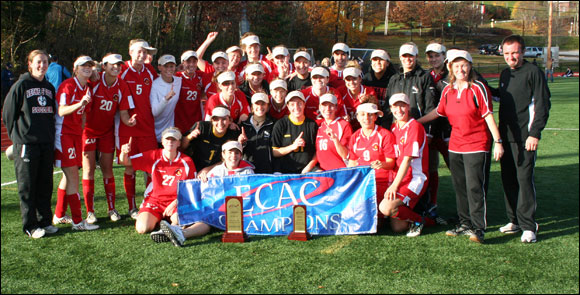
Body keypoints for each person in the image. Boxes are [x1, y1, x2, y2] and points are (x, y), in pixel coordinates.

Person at [418, 50, 503, 243]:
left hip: (477, 145)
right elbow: (438, 113)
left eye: (464, 65)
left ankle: (478, 228)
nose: (460, 69)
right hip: (456, 146)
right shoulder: (448, 90)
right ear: (451, 68)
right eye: (456, 66)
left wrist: (498, 142)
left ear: (470, 66)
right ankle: (465, 224)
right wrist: (417, 122)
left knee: (474, 187)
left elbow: (488, 116)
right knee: (461, 187)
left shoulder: (478, 88)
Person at [495, 35, 551, 243]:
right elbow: (500, 95)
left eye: (515, 53)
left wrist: (534, 133)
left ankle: (529, 225)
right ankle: (514, 221)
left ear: (523, 52)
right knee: (508, 179)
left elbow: (543, 105)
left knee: (524, 180)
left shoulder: (533, 72)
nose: (511, 57)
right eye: (507, 53)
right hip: (505, 138)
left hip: (525, 138)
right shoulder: (504, 73)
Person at [2, 50, 59, 238]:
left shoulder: (50, 87)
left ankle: (45, 221)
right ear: (30, 64)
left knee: (45, 184)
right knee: (28, 187)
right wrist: (18, 137)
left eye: (44, 62)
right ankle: (30, 225)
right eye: (38, 62)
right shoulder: (21, 85)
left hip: (46, 143)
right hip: (27, 144)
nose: (42, 65)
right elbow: (8, 114)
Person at [156, 140, 253, 247]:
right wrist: (203, 179)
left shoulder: (248, 171)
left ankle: (179, 233)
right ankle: (174, 230)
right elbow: (199, 190)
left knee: (206, 220)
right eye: (230, 152)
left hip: (235, 212)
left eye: (237, 153)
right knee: (177, 217)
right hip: (215, 208)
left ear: (241, 155)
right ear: (223, 155)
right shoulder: (216, 170)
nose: (233, 156)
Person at [81, 53, 134, 223]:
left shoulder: (122, 85)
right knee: (88, 170)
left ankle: (112, 208)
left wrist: (129, 121)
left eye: (119, 64)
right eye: (112, 64)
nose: (116, 67)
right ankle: (90, 211)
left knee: (107, 169)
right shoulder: (95, 81)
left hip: (106, 132)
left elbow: (124, 113)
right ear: (104, 66)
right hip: (88, 131)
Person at [119, 127, 196, 235]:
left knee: (179, 221)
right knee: (142, 228)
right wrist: (123, 153)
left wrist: (175, 202)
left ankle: (168, 230)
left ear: (179, 143)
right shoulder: (153, 156)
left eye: (174, 139)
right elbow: (125, 162)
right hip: (155, 200)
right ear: (162, 141)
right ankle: (162, 223)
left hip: (176, 200)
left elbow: (191, 187)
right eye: (167, 139)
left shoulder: (187, 161)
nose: (170, 142)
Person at [53, 55, 99, 230]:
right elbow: (62, 110)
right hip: (63, 134)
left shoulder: (87, 88)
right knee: (73, 176)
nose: (87, 68)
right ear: (75, 68)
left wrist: (81, 129)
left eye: (89, 66)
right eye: (83, 66)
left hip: (74, 135)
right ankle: (78, 222)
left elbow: (84, 114)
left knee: (68, 175)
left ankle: (59, 215)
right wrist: (80, 103)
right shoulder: (67, 86)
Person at [380, 93, 433, 237]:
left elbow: (407, 160)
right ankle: (427, 220)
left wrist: (394, 186)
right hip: (401, 177)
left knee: (385, 207)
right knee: (398, 227)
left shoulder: (414, 127)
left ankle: (419, 221)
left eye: (402, 105)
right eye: (395, 106)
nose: (399, 110)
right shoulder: (394, 127)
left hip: (415, 178)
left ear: (408, 107)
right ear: (390, 108)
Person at [118, 39, 159, 219]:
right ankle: (131, 207)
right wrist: (126, 118)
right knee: (129, 167)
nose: (142, 55)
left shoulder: (150, 71)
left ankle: (150, 202)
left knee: (150, 167)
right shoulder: (122, 70)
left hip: (148, 127)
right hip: (128, 128)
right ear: (130, 52)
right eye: (139, 52)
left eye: (145, 52)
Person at [347, 99, 396, 221]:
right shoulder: (355, 137)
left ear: (375, 117)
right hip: (364, 183)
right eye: (363, 114)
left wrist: (382, 164)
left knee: (392, 226)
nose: (366, 118)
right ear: (357, 117)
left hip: (382, 181)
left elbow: (391, 163)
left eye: (370, 114)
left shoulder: (385, 135)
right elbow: (352, 162)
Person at [424, 42, 451, 224]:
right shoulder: (427, 76)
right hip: (432, 131)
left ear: (444, 56)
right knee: (431, 169)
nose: (434, 59)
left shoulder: (453, 74)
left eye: (437, 56)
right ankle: (432, 204)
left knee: (457, 170)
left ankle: (468, 209)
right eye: (431, 56)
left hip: (450, 130)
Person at [383, 42, 436, 131]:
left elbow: (430, 108)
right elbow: (387, 108)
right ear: (400, 57)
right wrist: (386, 129)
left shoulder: (424, 77)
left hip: (417, 128)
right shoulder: (394, 79)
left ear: (416, 56)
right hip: (396, 129)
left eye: (410, 56)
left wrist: (428, 132)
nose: (407, 59)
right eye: (404, 56)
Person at [271, 91, 318, 174]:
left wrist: (308, 167)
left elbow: (318, 152)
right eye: (292, 104)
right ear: (288, 106)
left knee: (322, 178)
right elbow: (274, 152)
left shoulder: (312, 125)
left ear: (304, 104)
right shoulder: (280, 124)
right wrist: (293, 146)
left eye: (299, 103)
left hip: (307, 168)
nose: (296, 107)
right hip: (284, 169)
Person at [182, 106, 241, 172]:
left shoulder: (232, 134)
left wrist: (208, 170)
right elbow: (182, 146)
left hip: (217, 171)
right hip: (193, 168)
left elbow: (230, 160)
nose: (220, 123)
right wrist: (189, 137)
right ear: (212, 121)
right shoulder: (201, 127)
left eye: (224, 119)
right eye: (216, 119)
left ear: (230, 121)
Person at [239, 93, 276, 173]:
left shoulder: (274, 124)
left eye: (263, 104)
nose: (260, 107)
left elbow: (275, 149)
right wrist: (240, 143)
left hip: (267, 170)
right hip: (247, 170)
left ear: (268, 107)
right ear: (252, 106)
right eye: (257, 104)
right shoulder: (243, 124)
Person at [314, 93, 352, 171]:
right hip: (323, 173)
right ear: (320, 108)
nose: (328, 109)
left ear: (336, 108)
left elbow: (346, 155)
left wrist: (335, 140)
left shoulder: (343, 125)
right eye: (324, 105)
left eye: (331, 106)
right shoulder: (319, 126)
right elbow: (318, 153)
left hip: (340, 173)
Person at [150, 54, 182, 144]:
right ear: (159, 67)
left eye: (171, 66)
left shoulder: (179, 81)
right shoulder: (154, 85)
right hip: (154, 130)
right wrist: (166, 99)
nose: (169, 69)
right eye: (165, 66)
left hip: (169, 131)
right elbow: (155, 112)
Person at [174, 50, 204, 134]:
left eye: (194, 61)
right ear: (183, 63)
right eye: (188, 61)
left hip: (196, 119)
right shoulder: (177, 76)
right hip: (180, 120)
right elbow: (163, 77)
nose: (191, 64)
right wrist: (176, 70)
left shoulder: (200, 76)